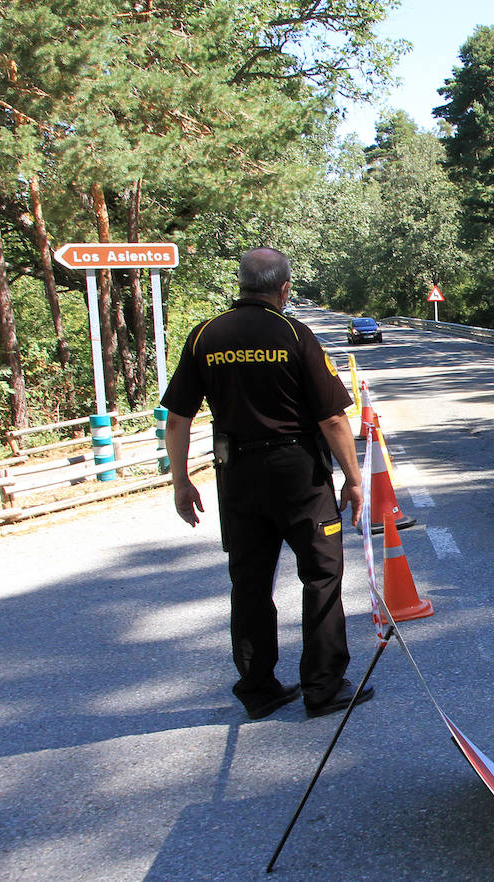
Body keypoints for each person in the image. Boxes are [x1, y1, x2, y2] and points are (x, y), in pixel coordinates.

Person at [161, 247, 373, 720]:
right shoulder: (296, 335)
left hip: (237, 477)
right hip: (299, 473)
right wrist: (354, 480)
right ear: (284, 288)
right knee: (321, 575)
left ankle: (258, 687)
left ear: (239, 285)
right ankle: (323, 686)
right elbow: (333, 418)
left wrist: (181, 481)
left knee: (250, 583)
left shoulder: (204, 337)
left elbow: (177, 420)